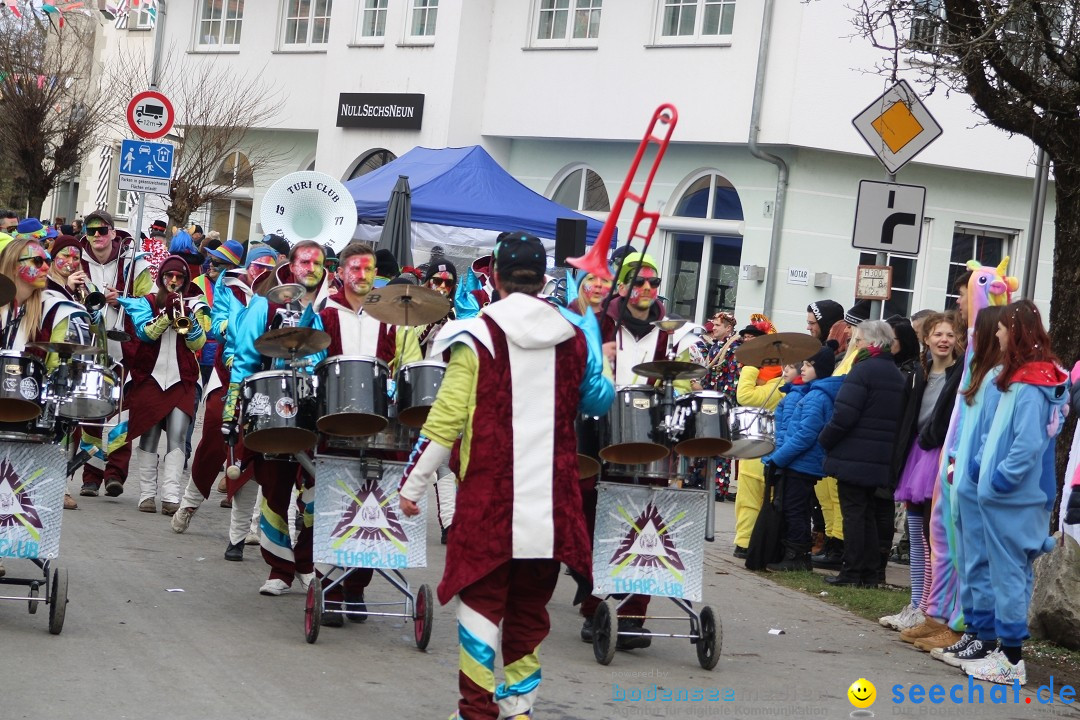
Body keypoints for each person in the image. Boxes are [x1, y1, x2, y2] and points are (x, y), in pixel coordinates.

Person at [398, 232, 613, 720]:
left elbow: (445, 421)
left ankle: (476, 712)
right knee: (528, 613)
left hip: (492, 500)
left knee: (480, 611)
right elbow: (596, 400)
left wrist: (413, 486)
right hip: (552, 504)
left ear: (493, 277)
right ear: (542, 280)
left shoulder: (476, 336)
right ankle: (518, 709)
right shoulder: (574, 338)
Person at [223, 241, 332, 594]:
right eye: (304, 261)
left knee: (319, 489)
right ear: (291, 264)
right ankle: (279, 570)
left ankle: (305, 560)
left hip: (320, 407)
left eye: (317, 262)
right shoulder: (266, 302)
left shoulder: (334, 303)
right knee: (274, 488)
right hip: (274, 405)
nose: (311, 267)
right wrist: (232, 410)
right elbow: (244, 359)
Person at [968, 300, 1065, 685]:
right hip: (1016, 496)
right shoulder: (1027, 378)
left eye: (1003, 328)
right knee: (1015, 574)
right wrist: (981, 463)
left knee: (1008, 574)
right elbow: (998, 434)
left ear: (1017, 332)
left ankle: (1009, 660)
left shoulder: (1028, 385)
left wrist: (1000, 480)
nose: (997, 334)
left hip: (1013, 497)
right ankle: (1008, 654)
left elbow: (1025, 444)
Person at [170, 245, 278, 560]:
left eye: (268, 269)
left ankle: (238, 536)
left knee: (250, 454)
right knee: (214, 440)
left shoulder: (281, 300)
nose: (261, 274)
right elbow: (217, 322)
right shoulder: (229, 287)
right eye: (257, 267)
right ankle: (189, 501)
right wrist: (233, 328)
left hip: (263, 382)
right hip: (227, 373)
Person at [927, 306, 1005, 669]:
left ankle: (991, 640)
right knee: (965, 556)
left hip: (982, 480)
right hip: (964, 474)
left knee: (984, 562)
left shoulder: (1000, 377)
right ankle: (972, 631)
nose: (959, 340)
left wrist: (978, 468)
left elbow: (999, 435)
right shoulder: (981, 371)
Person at [883, 312, 961, 633]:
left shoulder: (959, 376)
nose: (944, 340)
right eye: (937, 334)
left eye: (950, 335)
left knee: (933, 537)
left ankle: (930, 605)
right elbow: (906, 417)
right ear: (926, 339)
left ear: (958, 340)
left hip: (938, 456)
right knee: (915, 533)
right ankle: (916, 603)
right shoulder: (919, 373)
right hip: (915, 455)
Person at [118, 256, 209, 515]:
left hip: (182, 379)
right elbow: (145, 334)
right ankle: (147, 494)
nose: (174, 282)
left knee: (179, 435)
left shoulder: (195, 304)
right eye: (169, 276)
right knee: (148, 434)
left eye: (179, 278)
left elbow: (198, 344)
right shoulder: (146, 302)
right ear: (161, 278)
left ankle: (171, 495)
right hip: (149, 377)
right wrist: (165, 316)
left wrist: (186, 320)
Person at [818, 320, 905, 587]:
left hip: (854, 453)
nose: (855, 345)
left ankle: (852, 571)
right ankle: (868, 572)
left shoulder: (863, 370)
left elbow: (844, 415)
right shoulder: (895, 373)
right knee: (867, 514)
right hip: (879, 456)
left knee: (854, 514)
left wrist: (825, 439)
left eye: (858, 340)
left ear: (871, 343)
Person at [76, 210, 152, 497]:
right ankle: (91, 475)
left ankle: (115, 474)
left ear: (112, 232)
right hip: (88, 348)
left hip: (124, 349)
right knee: (90, 414)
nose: (97, 235)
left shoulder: (134, 263)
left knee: (121, 415)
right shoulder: (77, 260)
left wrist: (121, 299)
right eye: (91, 230)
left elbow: (148, 304)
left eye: (102, 230)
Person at [762, 342, 841, 571]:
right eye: (804, 364)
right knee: (794, 507)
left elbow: (805, 434)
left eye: (809, 364)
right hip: (798, 462)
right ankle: (794, 554)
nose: (803, 369)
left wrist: (778, 459)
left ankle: (797, 556)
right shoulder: (813, 393)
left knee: (795, 509)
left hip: (802, 464)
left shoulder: (816, 397)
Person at [414, 257, 459, 543]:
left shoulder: (458, 314)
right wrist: (430, 326)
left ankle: (450, 524)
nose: (442, 287)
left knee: (444, 459)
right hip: (413, 392)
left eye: (448, 283)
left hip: (443, 393)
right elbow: (406, 346)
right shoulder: (410, 309)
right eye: (437, 281)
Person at [732, 317, 784, 560]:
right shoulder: (776, 380)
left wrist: (750, 366)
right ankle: (745, 541)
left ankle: (750, 542)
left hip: (763, 448)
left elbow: (745, 396)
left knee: (756, 497)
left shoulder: (778, 383)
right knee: (749, 498)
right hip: (757, 447)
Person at [689, 311, 740, 500]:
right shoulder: (716, 345)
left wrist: (721, 399)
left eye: (718, 325)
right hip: (711, 398)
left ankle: (719, 487)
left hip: (722, 402)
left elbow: (731, 379)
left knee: (721, 446)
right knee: (707, 441)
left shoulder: (734, 347)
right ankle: (703, 480)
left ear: (728, 328)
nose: (714, 328)